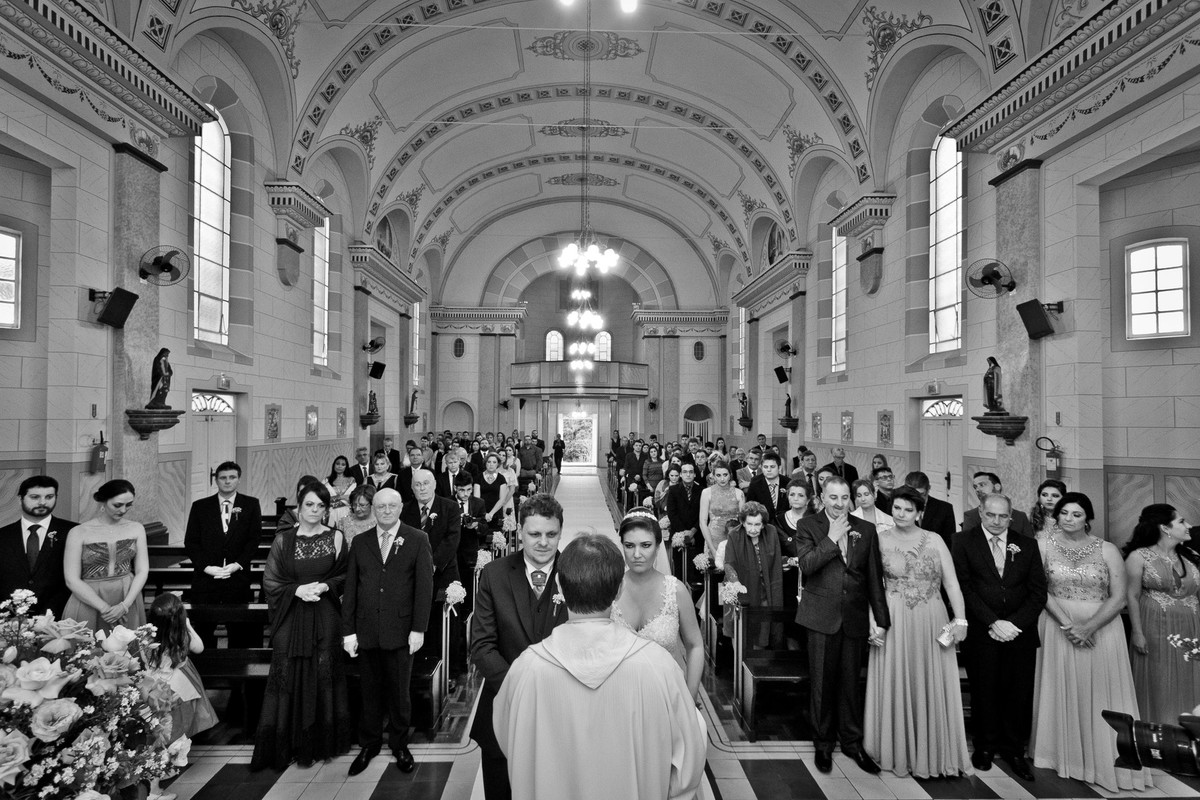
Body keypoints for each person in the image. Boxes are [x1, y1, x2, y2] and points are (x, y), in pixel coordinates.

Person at [494, 533, 706, 800]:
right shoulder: (658, 666)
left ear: (558, 585)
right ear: (619, 589)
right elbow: (689, 758)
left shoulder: (526, 668)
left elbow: (507, 737)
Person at [1030, 492, 1148, 792]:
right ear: (1056, 516)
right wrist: (1068, 624)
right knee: (1060, 689)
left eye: (1077, 514)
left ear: (1088, 518)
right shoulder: (1042, 545)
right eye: (1064, 513)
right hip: (1057, 624)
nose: (1069, 519)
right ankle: (1061, 754)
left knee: (1102, 692)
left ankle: (1105, 756)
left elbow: (1119, 595)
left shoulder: (1107, 550)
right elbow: (1037, 589)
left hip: (1103, 628)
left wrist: (1088, 627)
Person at [864, 486, 970, 778]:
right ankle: (895, 749)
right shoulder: (880, 539)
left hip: (931, 616)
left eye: (908, 510)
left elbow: (951, 584)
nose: (901, 514)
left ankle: (933, 751)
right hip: (894, 616)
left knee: (928, 678)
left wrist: (960, 619)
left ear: (919, 513)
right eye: (897, 508)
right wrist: (875, 621)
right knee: (896, 678)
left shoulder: (935, 540)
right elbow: (873, 586)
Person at [470, 494, 569, 800]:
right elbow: (482, 646)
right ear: (521, 532)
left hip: (562, 710)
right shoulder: (495, 574)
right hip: (504, 704)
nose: (543, 542)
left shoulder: (576, 573)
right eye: (534, 534)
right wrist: (521, 686)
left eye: (551, 534)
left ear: (560, 532)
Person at [251, 482, 351, 771]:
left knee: (323, 673)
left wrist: (323, 585)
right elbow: (270, 580)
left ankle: (322, 741)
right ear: (299, 506)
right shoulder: (285, 540)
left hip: (325, 614)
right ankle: (288, 742)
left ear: (327, 509)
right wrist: (296, 591)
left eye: (321, 506)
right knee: (288, 672)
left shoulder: (336, 537)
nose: (315, 511)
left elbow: (345, 575)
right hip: (292, 615)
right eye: (309, 505)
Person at [795, 476, 889, 775]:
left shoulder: (866, 530)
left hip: (855, 617)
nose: (839, 504)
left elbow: (873, 577)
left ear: (851, 498)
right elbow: (808, 566)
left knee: (851, 683)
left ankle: (852, 742)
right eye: (833, 497)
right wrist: (832, 537)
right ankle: (823, 744)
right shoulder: (808, 526)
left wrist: (882, 620)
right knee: (822, 683)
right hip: (821, 616)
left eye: (844, 497)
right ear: (822, 497)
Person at [951, 494, 1046, 780]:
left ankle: (1014, 750)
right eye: (991, 514)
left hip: (1020, 632)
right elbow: (963, 587)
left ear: (1011, 517)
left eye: (1002, 516)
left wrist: (1013, 624)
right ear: (980, 512)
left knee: (1018, 693)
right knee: (984, 690)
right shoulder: (962, 542)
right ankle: (984, 746)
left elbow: (1038, 592)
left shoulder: (1027, 545)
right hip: (982, 631)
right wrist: (993, 622)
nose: (996, 521)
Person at [342, 487, 432, 776]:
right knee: (370, 692)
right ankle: (368, 744)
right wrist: (349, 632)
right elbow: (351, 588)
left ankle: (399, 744)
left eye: (391, 506)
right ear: (373, 509)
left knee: (399, 693)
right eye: (380, 506)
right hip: (367, 629)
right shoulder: (360, 541)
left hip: (401, 630)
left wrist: (418, 628)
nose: (385, 511)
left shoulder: (417, 540)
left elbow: (423, 589)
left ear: (401, 508)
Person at [612, 509, 704, 699]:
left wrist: (690, 696)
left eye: (645, 545)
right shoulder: (610, 589)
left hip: (668, 696)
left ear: (658, 546)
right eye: (629, 545)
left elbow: (695, 645)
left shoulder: (676, 591)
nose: (637, 554)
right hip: (618, 696)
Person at [1124, 504, 1200, 725]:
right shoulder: (1139, 557)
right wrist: (1137, 633)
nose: (1189, 526)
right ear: (1165, 528)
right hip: (1155, 627)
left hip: (1191, 627)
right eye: (1182, 522)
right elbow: (1132, 596)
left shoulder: (1192, 556)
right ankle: (1158, 734)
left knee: (1190, 678)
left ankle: (1190, 734)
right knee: (1160, 679)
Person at [184, 461, 263, 647]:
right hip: (206, 580)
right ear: (216, 480)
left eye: (232, 477)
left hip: (238, 578)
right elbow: (191, 541)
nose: (228, 482)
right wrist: (206, 567)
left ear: (238, 479)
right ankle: (205, 670)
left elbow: (254, 540)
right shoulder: (200, 506)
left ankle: (238, 671)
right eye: (223, 478)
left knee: (238, 629)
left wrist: (238, 564)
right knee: (204, 628)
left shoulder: (251, 504)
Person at [146, 593, 217, 800]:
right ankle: (154, 790)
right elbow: (200, 647)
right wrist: (188, 626)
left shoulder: (147, 637)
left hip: (153, 691)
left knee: (157, 735)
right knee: (171, 734)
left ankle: (158, 775)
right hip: (176, 692)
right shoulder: (181, 637)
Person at [62, 479, 148, 634]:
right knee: (86, 651)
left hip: (127, 595)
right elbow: (71, 579)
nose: (123, 510)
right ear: (103, 501)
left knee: (128, 651)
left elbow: (142, 570)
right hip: (88, 598)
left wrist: (124, 605)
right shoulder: (79, 532)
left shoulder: (136, 529)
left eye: (128, 505)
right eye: (117, 505)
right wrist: (105, 608)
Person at [405, 468, 460, 683]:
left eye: (425, 483)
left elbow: (452, 539)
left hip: (443, 573)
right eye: (417, 484)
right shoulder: (406, 510)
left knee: (445, 624)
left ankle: (450, 672)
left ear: (435, 484)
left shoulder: (450, 507)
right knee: (420, 620)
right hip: (414, 575)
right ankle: (422, 670)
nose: (421, 488)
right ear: (412, 487)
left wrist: (432, 564)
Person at [0, 475, 75, 617]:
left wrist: (50, 612)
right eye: (35, 497)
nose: (42, 502)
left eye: (49, 497)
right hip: (10, 619)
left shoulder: (72, 532)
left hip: (59, 615)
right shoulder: (3, 536)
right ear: (20, 499)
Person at [722, 502, 784, 647]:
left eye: (757, 525)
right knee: (739, 632)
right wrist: (735, 582)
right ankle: (739, 665)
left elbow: (775, 559)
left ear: (763, 524)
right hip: (740, 587)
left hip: (765, 588)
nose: (753, 529)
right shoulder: (734, 535)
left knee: (763, 629)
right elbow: (728, 563)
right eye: (749, 524)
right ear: (743, 522)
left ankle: (754, 666)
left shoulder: (772, 531)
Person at [665, 463, 704, 585]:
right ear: (681, 474)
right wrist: (685, 534)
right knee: (679, 568)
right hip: (678, 533)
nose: (688, 474)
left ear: (694, 474)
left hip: (697, 534)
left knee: (696, 570)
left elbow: (703, 514)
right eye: (685, 472)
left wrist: (692, 531)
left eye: (691, 472)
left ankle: (694, 598)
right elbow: (672, 513)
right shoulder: (673, 490)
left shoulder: (702, 490)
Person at [962, 472, 1031, 536]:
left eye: (982, 485)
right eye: (975, 487)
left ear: (997, 487)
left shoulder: (1020, 517)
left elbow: (1029, 545)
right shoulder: (971, 516)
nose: (977, 490)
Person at [699, 460, 744, 558]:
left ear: (730, 475)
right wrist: (712, 549)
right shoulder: (706, 492)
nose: (722, 479)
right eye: (718, 475)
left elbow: (743, 522)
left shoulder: (739, 493)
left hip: (734, 538)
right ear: (713, 476)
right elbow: (702, 522)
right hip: (713, 538)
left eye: (725, 474)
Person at [903, 472, 956, 547]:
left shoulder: (945, 509)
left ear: (929, 488)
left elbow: (949, 543)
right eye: (913, 494)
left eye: (922, 494)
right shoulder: (898, 509)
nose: (917, 498)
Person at [746, 451, 788, 526]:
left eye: (772, 467)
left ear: (779, 468)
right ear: (761, 467)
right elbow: (750, 506)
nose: (768, 470)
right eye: (765, 467)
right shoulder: (755, 483)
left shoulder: (787, 482)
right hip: (763, 525)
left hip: (784, 525)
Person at [324, 456, 357, 529]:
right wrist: (342, 497)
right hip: (331, 513)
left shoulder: (351, 480)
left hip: (347, 512)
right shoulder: (326, 481)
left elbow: (351, 498)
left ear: (346, 466)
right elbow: (324, 498)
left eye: (343, 464)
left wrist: (334, 498)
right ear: (334, 465)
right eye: (337, 464)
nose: (340, 466)